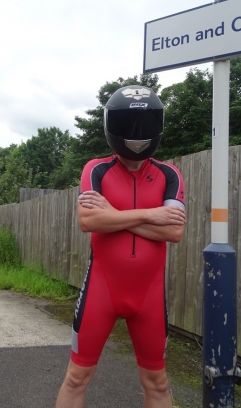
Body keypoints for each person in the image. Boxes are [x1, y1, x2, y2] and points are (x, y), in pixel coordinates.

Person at [55, 85, 186, 408]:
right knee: (76, 377)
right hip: (102, 290)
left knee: (157, 382)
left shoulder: (170, 174)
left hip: (149, 297)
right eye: (129, 124)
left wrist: (114, 214)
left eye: (145, 124)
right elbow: (89, 222)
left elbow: (174, 231)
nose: (137, 133)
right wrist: (149, 214)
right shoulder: (96, 169)